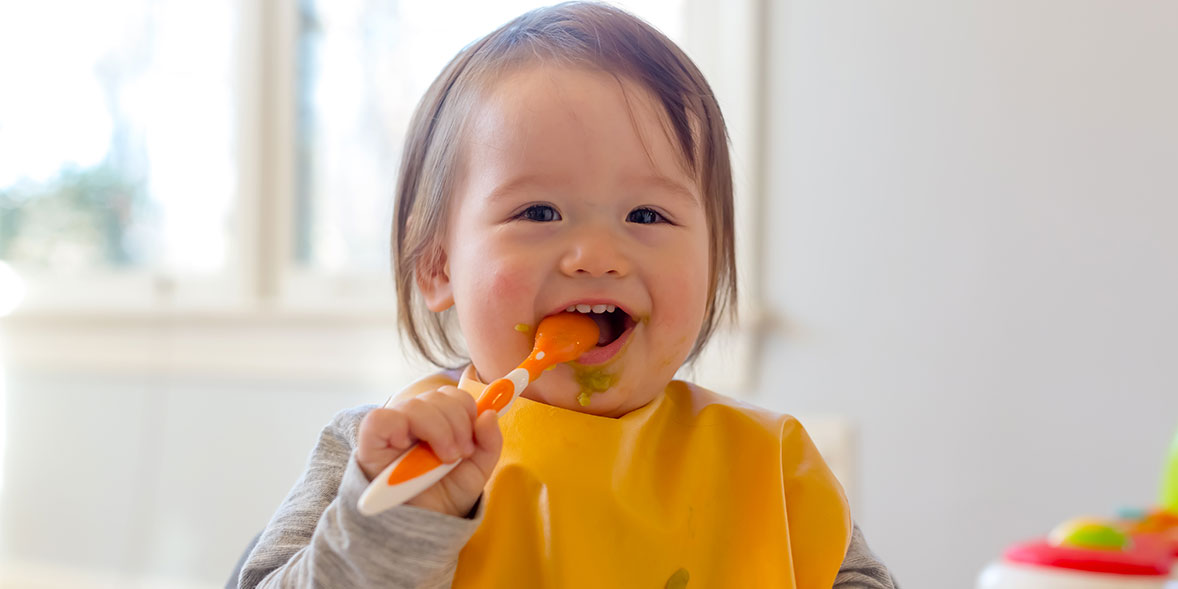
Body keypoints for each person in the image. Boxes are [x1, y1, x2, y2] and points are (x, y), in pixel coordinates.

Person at [234, 2, 898, 587]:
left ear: (715, 261)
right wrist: (393, 530)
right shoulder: (387, 452)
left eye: (646, 215)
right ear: (438, 265)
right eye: (539, 212)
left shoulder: (772, 470)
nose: (597, 256)